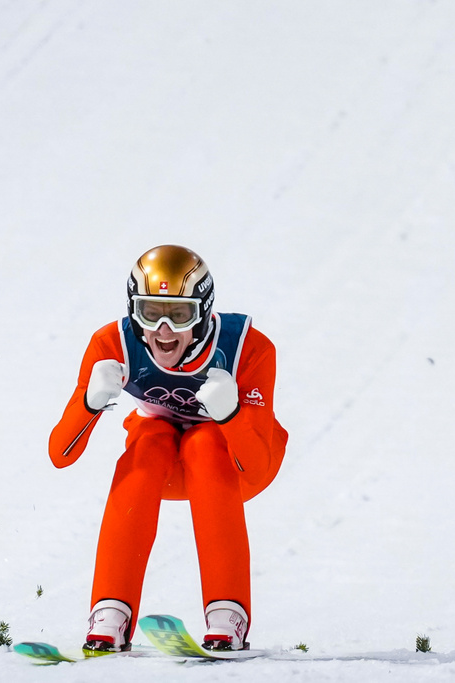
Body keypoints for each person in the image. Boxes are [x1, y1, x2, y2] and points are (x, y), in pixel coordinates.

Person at [48, 244, 288, 652]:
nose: (163, 330)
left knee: (205, 442)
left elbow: (257, 464)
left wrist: (231, 416)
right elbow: (60, 454)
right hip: (160, 464)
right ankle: (111, 608)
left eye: (180, 315)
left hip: (232, 461)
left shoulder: (248, 347)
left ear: (205, 312)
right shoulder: (113, 343)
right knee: (150, 439)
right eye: (149, 312)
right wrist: (87, 404)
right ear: (132, 311)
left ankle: (227, 610)